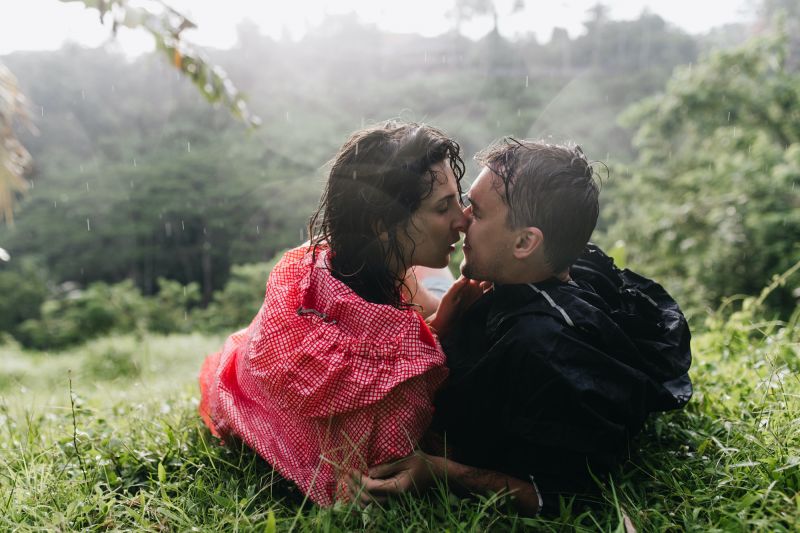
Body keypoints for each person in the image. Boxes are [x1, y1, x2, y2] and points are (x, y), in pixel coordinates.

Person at [348, 139, 693, 515]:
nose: (461, 220)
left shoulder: (546, 350)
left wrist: (437, 471)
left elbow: (568, 495)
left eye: (476, 213)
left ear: (525, 242)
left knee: (413, 264)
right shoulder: (550, 264)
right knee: (418, 262)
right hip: (468, 301)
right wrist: (441, 325)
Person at [198, 121, 469, 506]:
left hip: (242, 379)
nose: (463, 219)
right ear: (382, 226)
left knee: (421, 271)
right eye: (445, 207)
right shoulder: (397, 375)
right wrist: (446, 323)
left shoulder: (313, 269)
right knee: (435, 274)